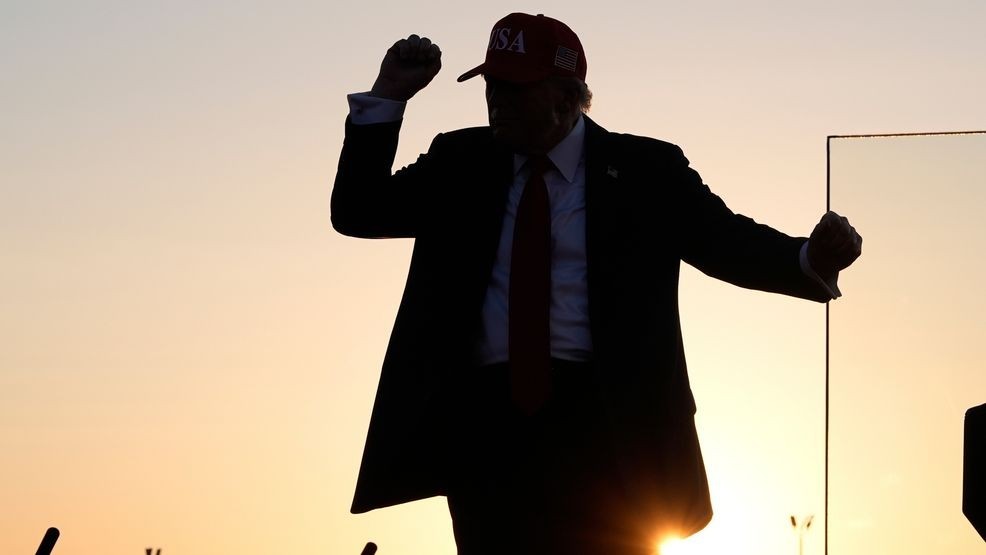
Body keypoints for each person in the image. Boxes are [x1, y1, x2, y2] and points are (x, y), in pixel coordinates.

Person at [332, 12, 861, 555]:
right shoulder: (460, 162)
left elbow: (725, 242)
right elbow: (359, 210)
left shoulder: (646, 170)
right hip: (486, 428)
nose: (498, 101)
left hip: (608, 425)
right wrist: (389, 95)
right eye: (492, 84)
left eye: (516, 87)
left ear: (568, 98)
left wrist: (809, 257)